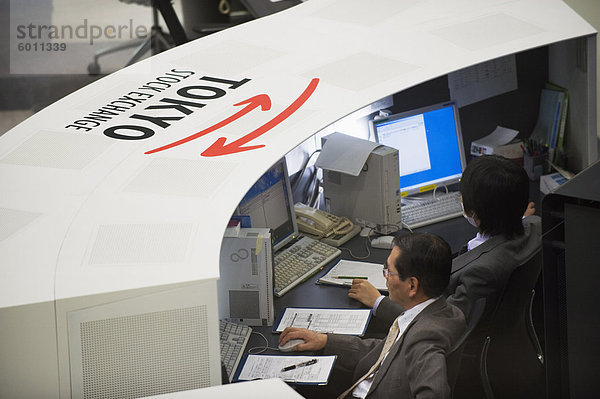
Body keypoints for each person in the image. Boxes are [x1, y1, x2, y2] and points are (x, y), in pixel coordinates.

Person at [348, 154, 542, 331]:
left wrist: (378, 302)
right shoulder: (536, 225)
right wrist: (516, 215)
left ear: (475, 214)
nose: (461, 198)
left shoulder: (482, 272)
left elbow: (441, 324)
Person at [279, 232, 465, 399]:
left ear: (412, 286)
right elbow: (388, 352)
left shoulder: (424, 338)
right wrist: (326, 341)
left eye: (389, 272)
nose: (385, 276)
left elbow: (435, 393)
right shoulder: (441, 311)